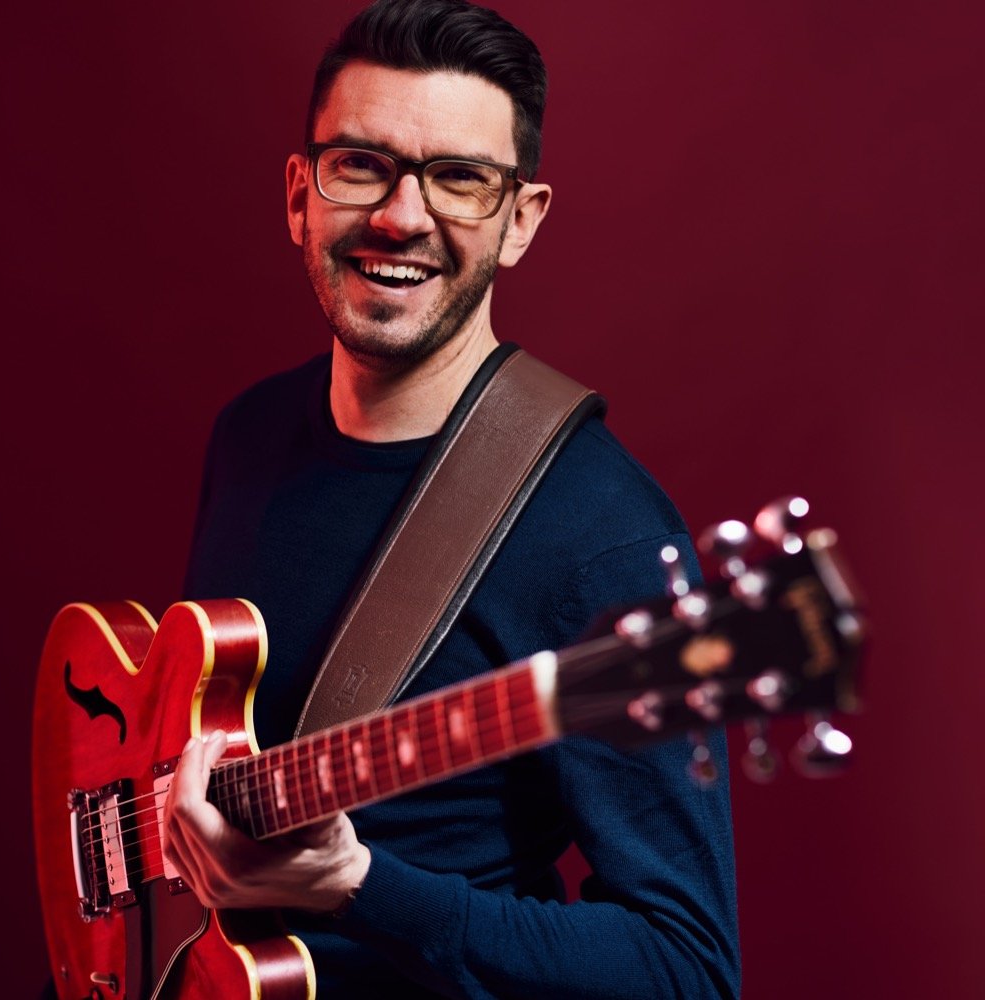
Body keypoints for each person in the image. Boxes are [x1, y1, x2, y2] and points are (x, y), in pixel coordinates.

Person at [163, 1, 741, 996]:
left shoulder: (603, 540)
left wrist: (362, 886)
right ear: (300, 195)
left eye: (459, 180)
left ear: (520, 221)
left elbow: (685, 968)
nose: (400, 216)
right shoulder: (249, 432)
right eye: (361, 164)